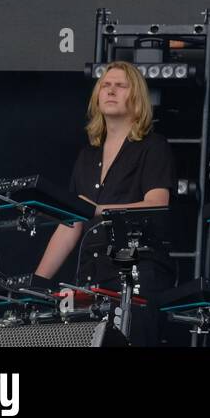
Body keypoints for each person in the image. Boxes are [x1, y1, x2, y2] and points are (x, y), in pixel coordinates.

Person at [33, 61, 176, 342]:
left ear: (136, 98)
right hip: (92, 273)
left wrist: (98, 210)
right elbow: (71, 221)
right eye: (105, 86)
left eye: (120, 86)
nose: (111, 91)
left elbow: (157, 204)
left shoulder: (153, 146)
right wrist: (38, 282)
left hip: (136, 270)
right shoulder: (87, 155)